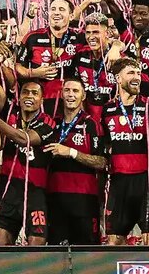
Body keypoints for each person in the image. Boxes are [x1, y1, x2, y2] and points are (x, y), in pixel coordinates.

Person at [103, 58, 149, 245]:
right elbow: (104, 145)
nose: (137, 77)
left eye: (139, 73)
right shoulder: (107, 110)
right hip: (119, 182)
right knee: (114, 241)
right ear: (118, 78)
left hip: (147, 181)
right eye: (131, 73)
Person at [0, 79, 56, 246]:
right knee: (1, 243)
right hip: (8, 191)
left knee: (37, 243)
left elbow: (24, 139)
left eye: (35, 93)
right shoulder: (10, 115)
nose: (29, 96)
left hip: (35, 193)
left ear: (42, 99)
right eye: (25, 92)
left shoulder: (48, 123)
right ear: (18, 97)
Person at [43, 77, 106, 245]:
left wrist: (71, 152)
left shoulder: (92, 124)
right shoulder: (51, 124)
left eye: (76, 91)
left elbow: (101, 162)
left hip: (84, 202)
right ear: (61, 94)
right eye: (67, 90)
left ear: (83, 96)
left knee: (88, 254)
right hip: (55, 201)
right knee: (56, 253)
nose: (71, 95)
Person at [16, 0, 85, 117]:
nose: (56, 12)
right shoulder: (33, 37)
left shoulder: (80, 38)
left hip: (69, 101)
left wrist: (116, 46)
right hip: (41, 101)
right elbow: (17, 66)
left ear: (71, 15)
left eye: (61, 9)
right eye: (53, 9)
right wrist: (33, 73)